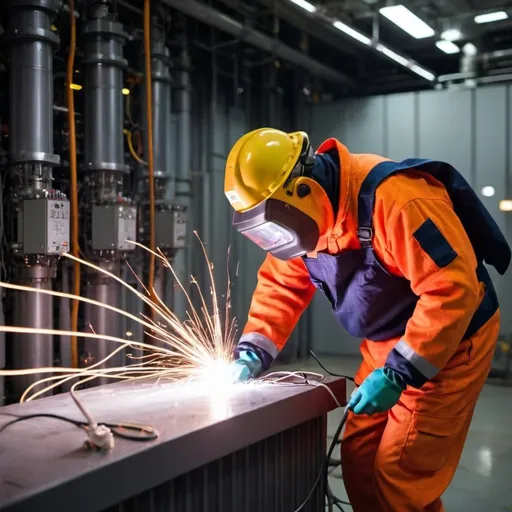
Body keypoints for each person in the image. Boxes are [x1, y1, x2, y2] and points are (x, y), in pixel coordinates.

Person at [224, 128, 511, 511]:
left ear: (305, 189)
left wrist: (400, 373)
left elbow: (452, 290)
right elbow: (281, 287)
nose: (277, 239)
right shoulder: (296, 220)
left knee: (400, 471)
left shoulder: (399, 201)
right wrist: (252, 352)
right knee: (359, 458)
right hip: (386, 346)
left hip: (451, 343)